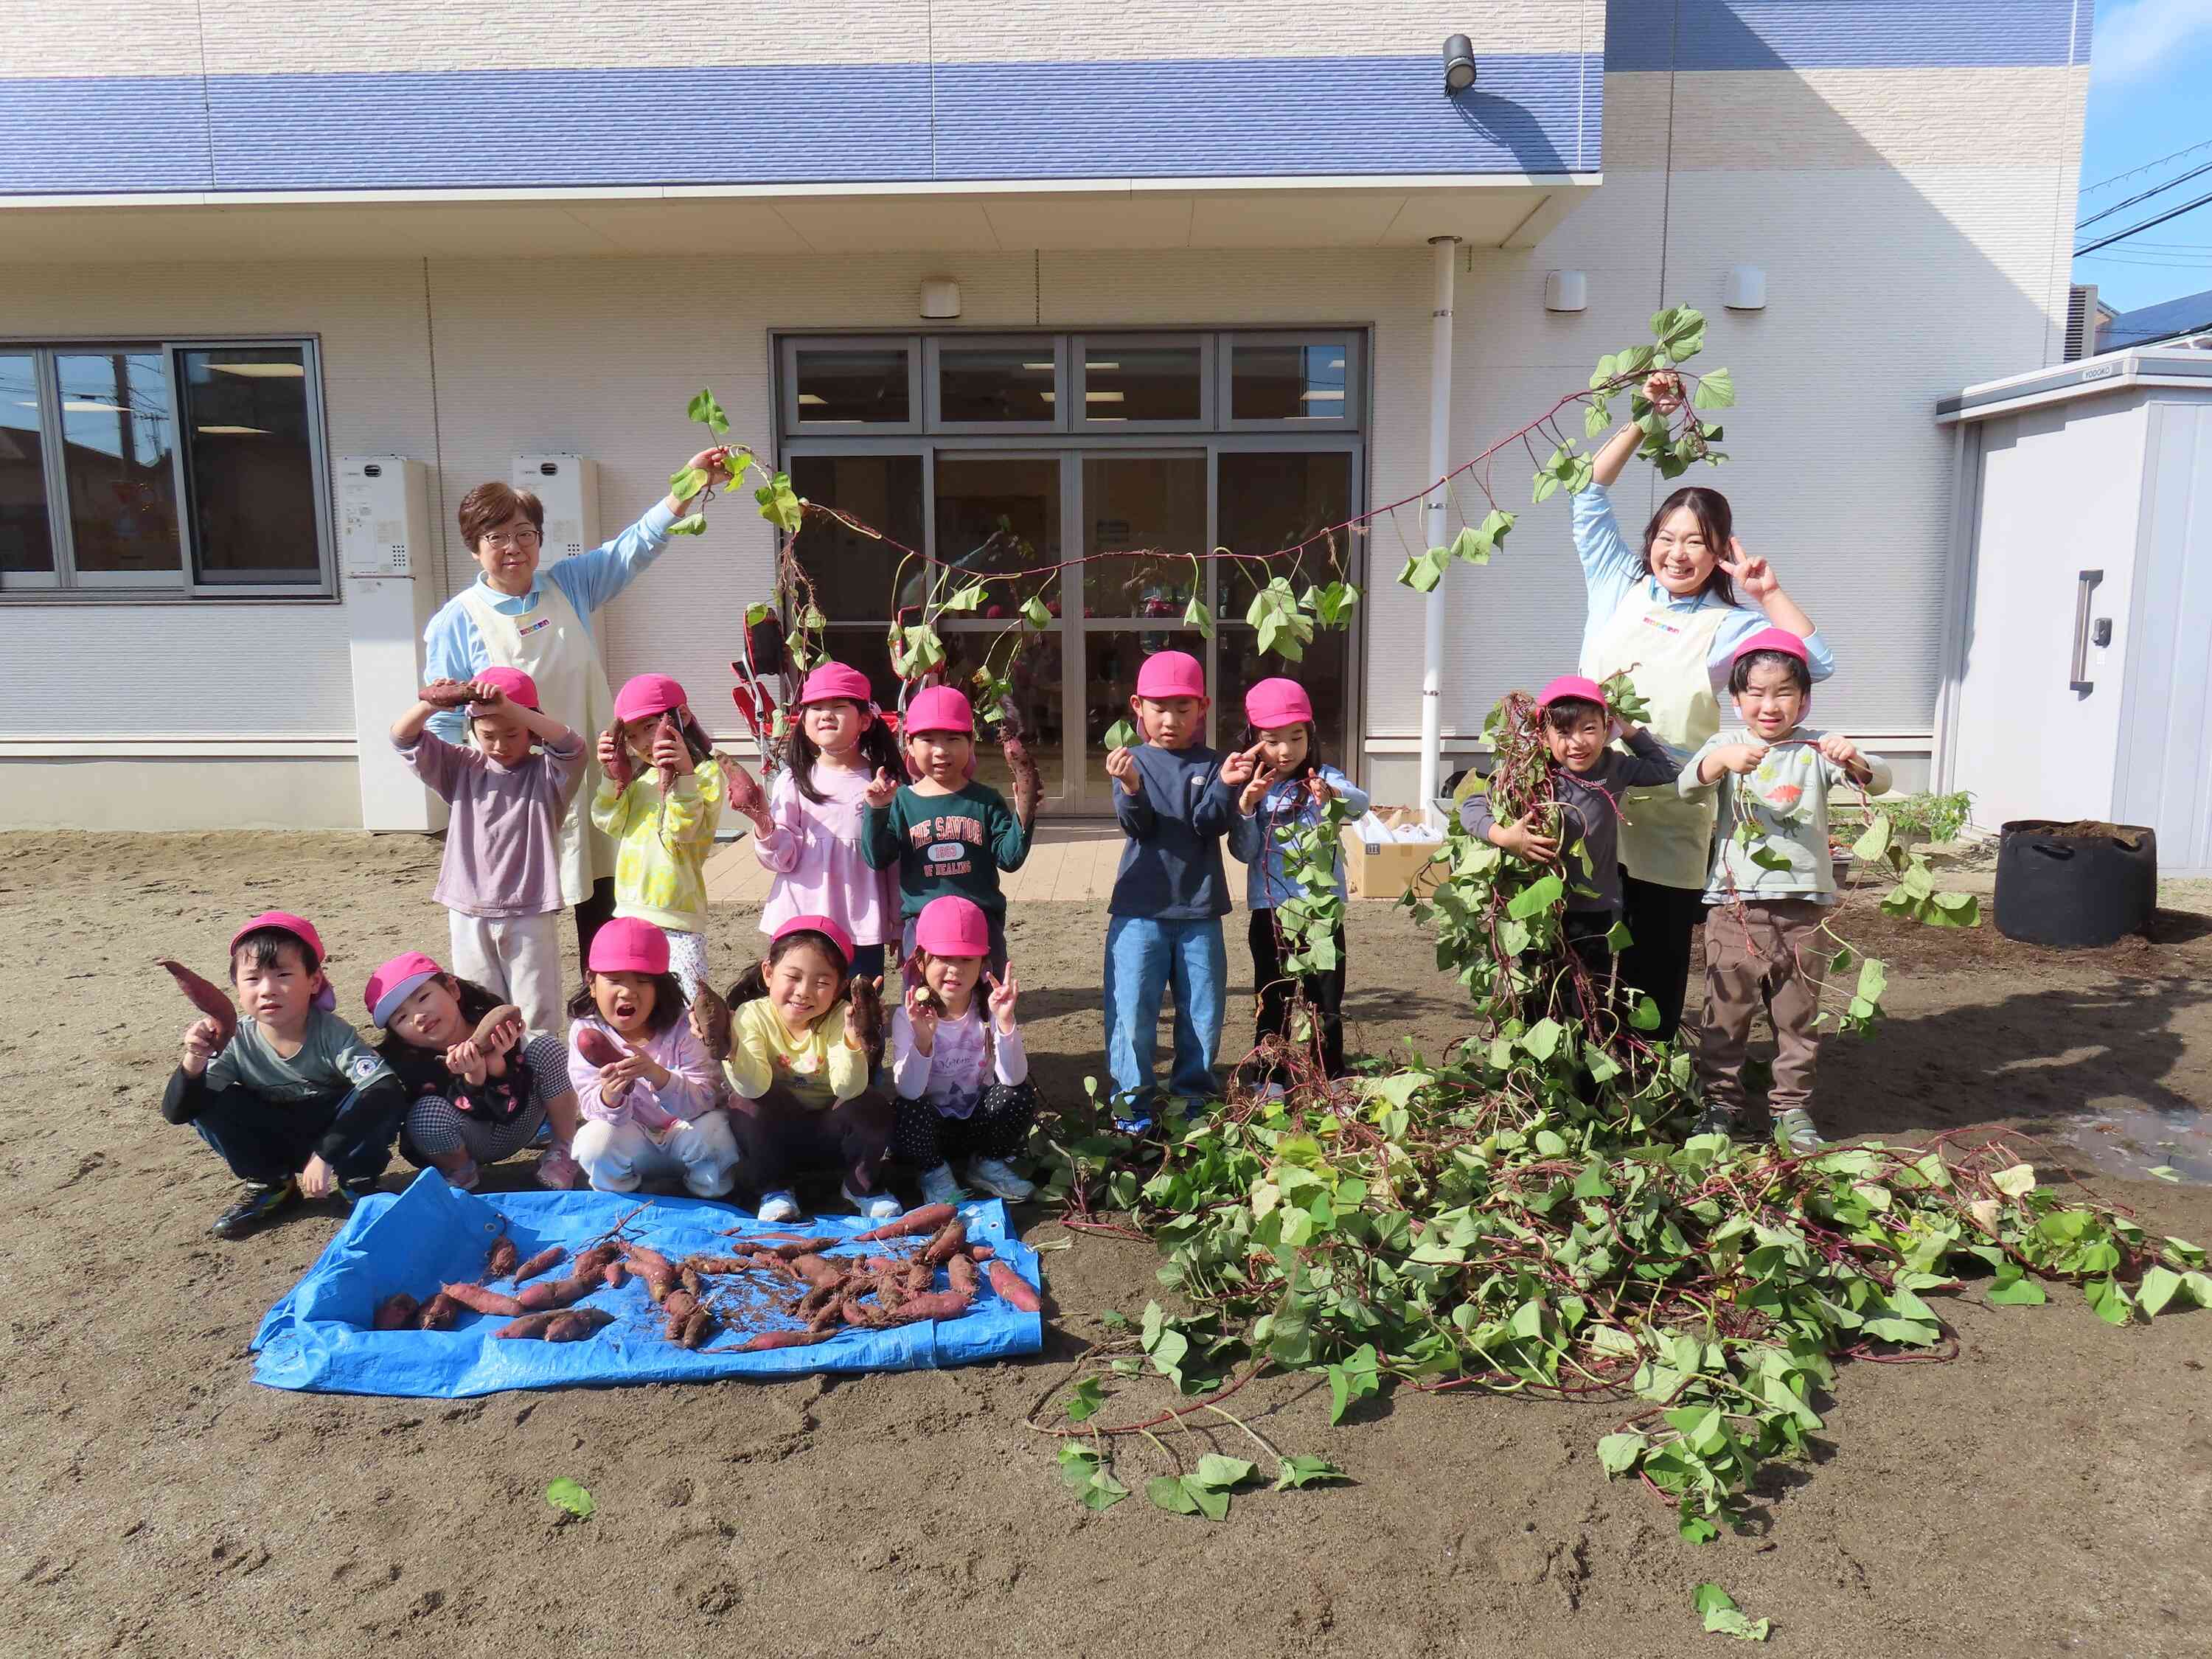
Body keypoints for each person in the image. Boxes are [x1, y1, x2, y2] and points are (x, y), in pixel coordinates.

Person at [1571, 373, 1834, 1041]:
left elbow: (1816, 661)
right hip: (1585, 796)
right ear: (1651, 539)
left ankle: (1645, 1068)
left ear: (1719, 552)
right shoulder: (1618, 584)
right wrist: (1645, 417)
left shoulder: (1731, 624)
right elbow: (1587, 491)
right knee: (1579, 952)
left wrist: (1769, 594)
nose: (1678, 552)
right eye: (1667, 536)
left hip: (1671, 808)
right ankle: (1580, 1066)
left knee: (1653, 963)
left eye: (1696, 541)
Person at [421, 452, 734, 962]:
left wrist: (691, 484)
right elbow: (444, 721)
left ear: (540, 538)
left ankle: (607, 991)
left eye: (525, 533)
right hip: (516, 786)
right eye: (496, 537)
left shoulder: (568, 585)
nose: (513, 547)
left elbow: (634, 547)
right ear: (474, 547)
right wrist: (474, 791)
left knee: (604, 893)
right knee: (524, 910)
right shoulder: (455, 621)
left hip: (595, 770)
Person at [1677, 630, 1891, 1152]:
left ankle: (1790, 1109)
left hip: (1803, 909)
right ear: (1736, 700)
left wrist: (1854, 758)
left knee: (1797, 1015)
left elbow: (1880, 781)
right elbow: (1687, 784)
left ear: (1804, 700)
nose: (1769, 705)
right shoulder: (1725, 746)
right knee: (1725, 1011)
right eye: (1756, 693)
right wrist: (1721, 762)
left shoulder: (1817, 749)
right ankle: (1720, 1105)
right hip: (1734, 907)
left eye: (1783, 693)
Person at [160, 911, 408, 1238]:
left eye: (283, 975)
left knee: (378, 1090)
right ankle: (273, 1184)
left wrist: (325, 1154)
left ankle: (357, 1180)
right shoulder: (234, 1039)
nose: (268, 990)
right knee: (207, 1098)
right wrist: (195, 1060)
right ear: (237, 987)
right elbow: (179, 1112)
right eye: (253, 979)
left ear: (314, 981)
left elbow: (387, 1091)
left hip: (338, 1138)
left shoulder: (332, 1033)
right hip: (276, 1137)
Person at [1460, 675, 1680, 1021]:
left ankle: (1587, 1055)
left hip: (1596, 909)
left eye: (1589, 729)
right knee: (1541, 999)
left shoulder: (1614, 766)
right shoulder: (1532, 777)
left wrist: (1628, 730)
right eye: (1563, 732)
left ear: (1606, 729)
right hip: (1541, 912)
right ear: (1543, 737)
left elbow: (1667, 769)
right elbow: (1472, 807)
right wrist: (1504, 837)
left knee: (1589, 1001)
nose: (1577, 742)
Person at [1101, 650, 1256, 1133]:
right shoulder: (1131, 763)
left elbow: (1208, 824)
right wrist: (1131, 787)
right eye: (1159, 708)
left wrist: (1225, 785)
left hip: (1200, 909)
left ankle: (1193, 1098)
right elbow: (1138, 827)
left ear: (1202, 707)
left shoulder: (1215, 764)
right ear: (1138, 706)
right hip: (1138, 909)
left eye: (1183, 708)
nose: (1170, 720)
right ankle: (1132, 1105)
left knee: (1202, 1013)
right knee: (1132, 1011)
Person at [389, 667, 584, 1039]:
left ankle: (541, 1074)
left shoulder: (549, 774)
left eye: (512, 734)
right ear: (473, 730)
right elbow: (402, 737)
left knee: (536, 1014)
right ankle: (496, 1074)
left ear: (532, 729)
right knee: (481, 1011)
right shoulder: (461, 766)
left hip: (529, 908)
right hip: (467, 907)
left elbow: (572, 746)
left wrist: (509, 707)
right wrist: (432, 703)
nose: (499, 745)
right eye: (488, 735)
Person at [1225, 676, 1369, 1091]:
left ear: (1311, 735)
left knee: (1326, 999)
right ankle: (1270, 1076)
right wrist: (1247, 806)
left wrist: (1331, 794)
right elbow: (1243, 852)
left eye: (1296, 737)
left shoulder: (1325, 777)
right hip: (1271, 912)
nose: (1285, 750)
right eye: (1272, 741)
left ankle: (1330, 1074)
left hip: (1322, 913)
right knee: (1273, 996)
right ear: (1254, 740)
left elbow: (1360, 805)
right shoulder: (1253, 789)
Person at [711, 914, 897, 1222]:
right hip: (776, 1138)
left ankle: (859, 1186)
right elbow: (753, 1087)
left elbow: (848, 1088)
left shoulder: (841, 1018)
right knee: (743, 1103)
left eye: (821, 983)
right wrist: (731, 1049)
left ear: (840, 987)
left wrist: (854, 1040)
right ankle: (775, 1190)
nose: (804, 991)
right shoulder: (751, 1015)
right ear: (769, 973)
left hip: (831, 1136)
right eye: (793, 977)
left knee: (871, 1103)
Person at [365, 950, 584, 1190]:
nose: (418, 1016)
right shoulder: (412, 1066)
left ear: (452, 989)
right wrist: (473, 1080)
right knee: (423, 1113)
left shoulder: (494, 1026)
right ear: (398, 1035)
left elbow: (509, 1107)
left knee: (547, 1047)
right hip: (467, 1143)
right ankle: (461, 1173)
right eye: (402, 1017)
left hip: (521, 1121)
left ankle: (565, 1148)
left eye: (423, 997)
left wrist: (496, 1063)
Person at [745, 661, 904, 982]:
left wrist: (898, 923)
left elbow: (893, 861)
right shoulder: (793, 780)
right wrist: (763, 822)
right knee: (800, 999)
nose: (826, 715)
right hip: (799, 919)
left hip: (861, 923)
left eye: (839, 706)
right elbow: (782, 858)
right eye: (816, 707)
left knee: (858, 1001)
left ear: (865, 720)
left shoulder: (884, 782)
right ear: (804, 721)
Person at [860, 685, 1033, 978]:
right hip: (922, 922)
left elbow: (1009, 858)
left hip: (981, 922)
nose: (941, 751)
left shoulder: (985, 800)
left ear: (971, 743)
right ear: (910, 744)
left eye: (953, 739)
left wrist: (1024, 814)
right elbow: (878, 858)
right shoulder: (902, 801)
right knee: (921, 998)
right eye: (928, 740)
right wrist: (877, 810)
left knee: (987, 996)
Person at [565, 918, 735, 1197]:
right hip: (633, 1142)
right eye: (614, 980)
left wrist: (658, 1076)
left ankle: (706, 1194)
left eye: (643, 981)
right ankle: (622, 1197)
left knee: (716, 1132)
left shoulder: (686, 1026)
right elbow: (591, 1108)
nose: (627, 992)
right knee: (593, 1141)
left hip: (685, 1134)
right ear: (591, 983)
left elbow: (704, 1099)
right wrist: (610, 1096)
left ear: (659, 987)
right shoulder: (586, 1032)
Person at [888, 895, 1037, 1206]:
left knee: (1019, 1095)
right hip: (930, 1133)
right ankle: (934, 1173)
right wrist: (923, 1040)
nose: (954, 969)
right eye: (943, 957)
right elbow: (909, 1091)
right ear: (921, 961)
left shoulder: (989, 1009)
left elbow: (1013, 1079)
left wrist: (1005, 1022)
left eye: (967, 959)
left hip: (977, 1125)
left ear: (983, 964)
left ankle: (987, 1164)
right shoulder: (907, 1016)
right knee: (906, 1110)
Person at [592, 672, 725, 1003]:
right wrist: (611, 775)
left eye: (650, 727)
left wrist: (684, 775)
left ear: (683, 717)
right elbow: (608, 821)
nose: (642, 743)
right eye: (631, 735)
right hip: (629, 910)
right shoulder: (640, 779)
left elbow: (682, 829)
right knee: (641, 1004)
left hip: (678, 915)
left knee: (689, 1004)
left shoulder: (706, 774)